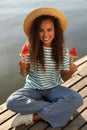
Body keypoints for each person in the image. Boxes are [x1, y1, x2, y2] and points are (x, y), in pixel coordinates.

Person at [6, 7, 83, 128]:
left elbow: (64, 77)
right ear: (36, 31)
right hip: (33, 88)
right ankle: (60, 110)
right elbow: (24, 74)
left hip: (53, 88)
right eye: (41, 30)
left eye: (49, 30)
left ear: (55, 30)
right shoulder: (29, 49)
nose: (45, 34)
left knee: (77, 99)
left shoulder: (62, 50)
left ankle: (32, 117)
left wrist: (71, 71)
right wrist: (22, 68)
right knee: (11, 102)